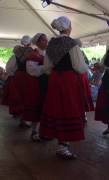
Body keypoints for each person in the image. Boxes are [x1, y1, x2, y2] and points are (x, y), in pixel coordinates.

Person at [39, 16, 88, 160]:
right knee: (68, 109)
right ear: (67, 28)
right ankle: (63, 147)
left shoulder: (51, 44)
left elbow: (47, 67)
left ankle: (62, 145)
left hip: (55, 79)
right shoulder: (71, 43)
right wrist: (86, 69)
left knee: (57, 109)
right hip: (68, 80)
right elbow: (79, 66)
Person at [22, 33, 48, 141]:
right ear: (38, 42)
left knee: (45, 108)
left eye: (46, 40)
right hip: (37, 85)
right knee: (36, 107)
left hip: (46, 84)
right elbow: (32, 71)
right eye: (44, 40)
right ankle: (34, 131)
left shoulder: (47, 54)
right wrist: (46, 68)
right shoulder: (33, 54)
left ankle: (43, 131)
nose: (46, 42)